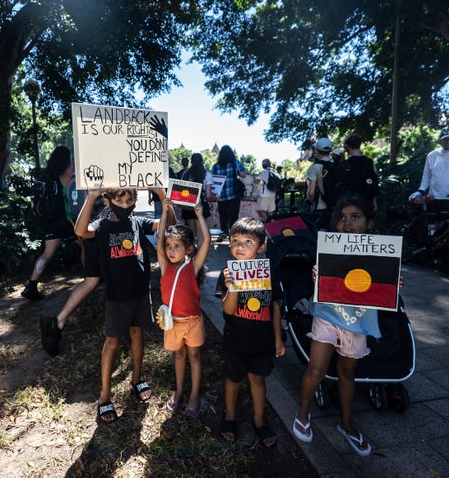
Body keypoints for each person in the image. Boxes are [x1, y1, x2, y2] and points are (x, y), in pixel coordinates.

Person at [292, 195, 382, 457]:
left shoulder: (380, 251)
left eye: (356, 217)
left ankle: (346, 423)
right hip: (328, 314)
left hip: (359, 320)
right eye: (342, 217)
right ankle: (302, 413)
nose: (347, 223)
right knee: (316, 368)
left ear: (370, 222)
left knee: (347, 372)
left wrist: (392, 285)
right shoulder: (329, 247)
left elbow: (384, 285)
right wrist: (316, 276)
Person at [74, 186, 174, 423]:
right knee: (112, 342)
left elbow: (168, 225)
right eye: (121, 199)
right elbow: (80, 230)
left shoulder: (138, 222)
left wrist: (162, 197)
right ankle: (104, 395)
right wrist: (91, 197)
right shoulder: (102, 226)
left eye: (131, 200)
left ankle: (137, 378)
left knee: (137, 333)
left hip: (140, 292)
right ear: (108, 201)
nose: (127, 204)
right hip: (116, 296)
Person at [215, 217, 285, 447]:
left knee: (258, 379)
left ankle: (259, 420)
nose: (240, 246)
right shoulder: (227, 273)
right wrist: (232, 285)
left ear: (261, 246)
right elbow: (228, 309)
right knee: (233, 379)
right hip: (235, 340)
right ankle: (230, 416)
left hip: (262, 342)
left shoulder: (268, 273)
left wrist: (277, 339)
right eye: (235, 241)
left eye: (247, 241)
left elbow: (275, 307)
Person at [157, 198, 210, 418]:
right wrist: (164, 211)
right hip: (173, 323)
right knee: (178, 356)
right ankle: (179, 391)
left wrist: (199, 215)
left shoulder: (193, 266)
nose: (170, 250)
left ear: (188, 249)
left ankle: (194, 395)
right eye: (169, 246)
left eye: (176, 246)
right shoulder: (164, 265)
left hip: (193, 322)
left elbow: (206, 239)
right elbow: (159, 238)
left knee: (194, 357)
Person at [40, 203, 111, 357]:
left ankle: (59, 321)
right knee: (95, 278)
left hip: (92, 224)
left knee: (91, 279)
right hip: (105, 225)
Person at [22, 146, 76, 301]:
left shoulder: (47, 175)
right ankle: (91, 278)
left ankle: (31, 286)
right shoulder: (69, 172)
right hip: (69, 220)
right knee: (85, 244)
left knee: (46, 255)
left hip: (52, 222)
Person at [211, 145, 246, 240]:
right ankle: (233, 236)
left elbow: (212, 180)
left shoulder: (216, 166)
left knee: (223, 216)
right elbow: (243, 174)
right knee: (233, 216)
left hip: (221, 197)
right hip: (233, 195)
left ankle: (224, 232)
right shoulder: (235, 163)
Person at [181, 153, 212, 246]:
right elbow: (208, 195)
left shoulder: (185, 174)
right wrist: (215, 197)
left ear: (191, 162)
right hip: (201, 206)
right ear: (202, 162)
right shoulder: (207, 175)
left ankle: (192, 254)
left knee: (191, 233)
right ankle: (199, 255)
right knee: (200, 234)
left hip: (187, 206)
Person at [343, 134, 380, 211]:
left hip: (351, 202)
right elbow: (375, 181)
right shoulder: (369, 162)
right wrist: (374, 202)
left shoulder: (346, 164)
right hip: (367, 202)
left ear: (348, 147)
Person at [306, 137, 334, 229]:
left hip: (320, 207)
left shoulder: (314, 168)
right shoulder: (337, 164)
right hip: (337, 207)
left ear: (317, 151)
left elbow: (311, 193)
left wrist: (310, 201)